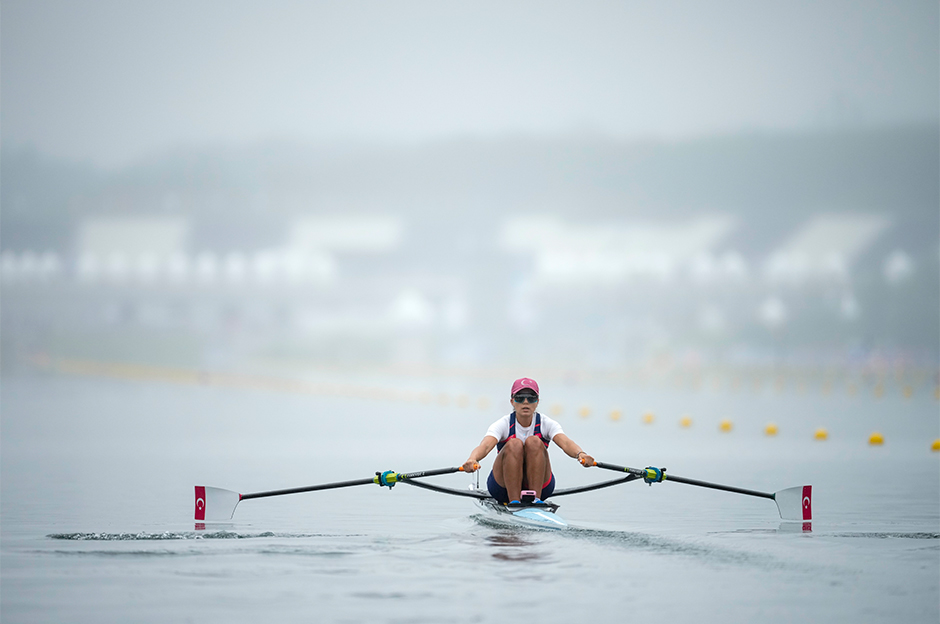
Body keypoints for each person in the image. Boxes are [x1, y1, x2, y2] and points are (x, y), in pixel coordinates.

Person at [462, 377, 595, 505]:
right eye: (520, 398)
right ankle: (514, 501)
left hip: (542, 488)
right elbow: (485, 446)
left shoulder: (546, 423)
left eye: (531, 398)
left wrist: (581, 454)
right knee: (514, 443)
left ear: (537, 402)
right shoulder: (503, 424)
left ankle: (536, 499)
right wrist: (472, 459)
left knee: (534, 442)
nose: (525, 402)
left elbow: (566, 443)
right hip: (502, 489)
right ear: (512, 402)